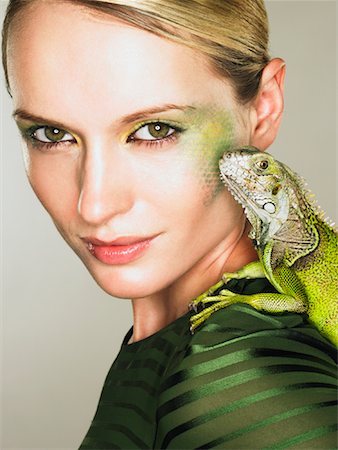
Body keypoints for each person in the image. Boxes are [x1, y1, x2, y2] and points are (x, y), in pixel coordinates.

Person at [2, 0, 337, 448]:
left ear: (265, 107)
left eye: (156, 130)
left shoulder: (240, 376)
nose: (94, 205)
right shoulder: (178, 346)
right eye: (51, 134)